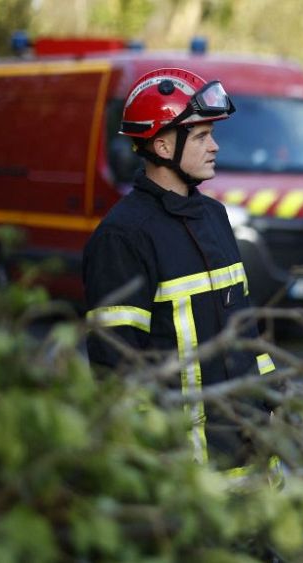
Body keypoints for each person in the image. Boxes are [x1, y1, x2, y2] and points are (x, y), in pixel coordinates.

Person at [83, 68, 275, 468]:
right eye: (203, 136)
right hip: (182, 477)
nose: (215, 147)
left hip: (249, 457)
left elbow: (243, 324)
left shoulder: (215, 216)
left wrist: (272, 397)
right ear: (164, 146)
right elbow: (116, 368)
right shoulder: (123, 237)